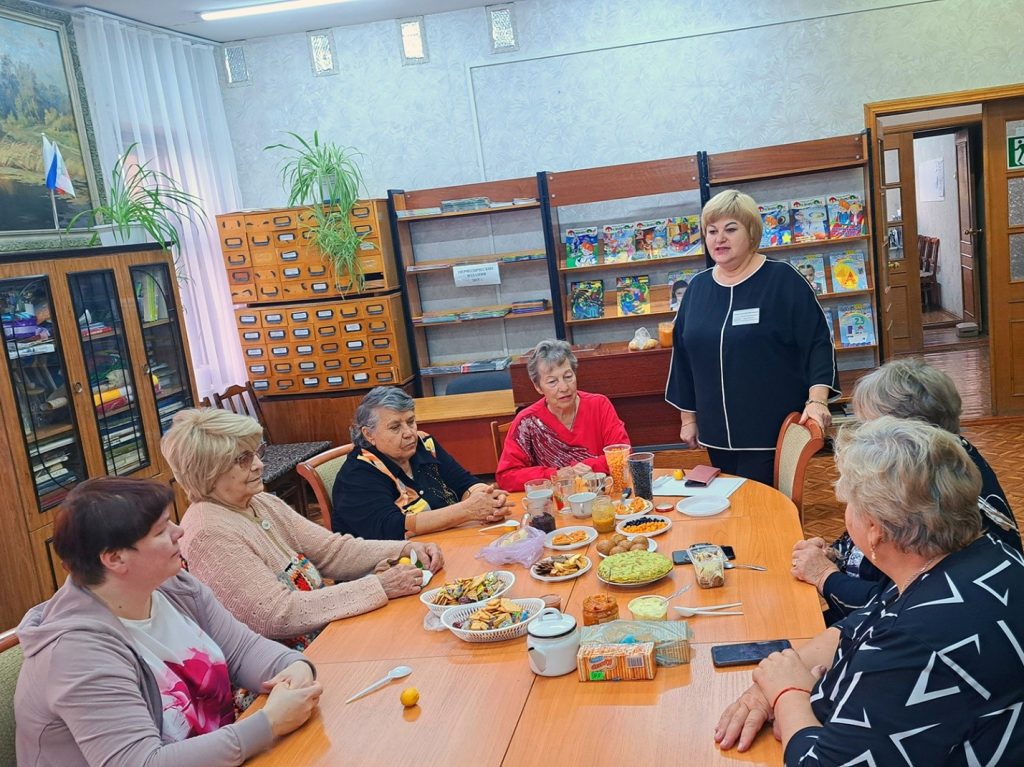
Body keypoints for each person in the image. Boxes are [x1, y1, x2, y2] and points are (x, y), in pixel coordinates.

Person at [715, 417, 1024, 764]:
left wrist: (788, 694)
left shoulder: (916, 642)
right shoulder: (988, 555)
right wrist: (777, 678)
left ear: (875, 530)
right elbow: (862, 621)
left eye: (848, 505)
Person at [15, 477, 323, 767]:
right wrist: (268, 724)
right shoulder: (75, 654)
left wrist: (294, 667)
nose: (179, 532)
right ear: (115, 559)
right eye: (162, 530)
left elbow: (242, 650)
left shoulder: (172, 586)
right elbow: (140, 761)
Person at [161, 408, 442, 645]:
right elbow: (276, 614)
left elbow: (332, 551)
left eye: (256, 453)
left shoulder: (260, 502)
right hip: (289, 668)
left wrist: (403, 548)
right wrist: (378, 586)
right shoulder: (209, 533)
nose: (258, 465)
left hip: (328, 635)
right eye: (243, 459)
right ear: (208, 471)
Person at [791, 358, 1020, 623]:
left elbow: (898, 602)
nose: (863, 437)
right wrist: (835, 554)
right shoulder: (941, 461)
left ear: (907, 435)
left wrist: (824, 576)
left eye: (869, 425)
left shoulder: (933, 494)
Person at [664, 189, 838, 485]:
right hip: (715, 433)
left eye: (731, 229)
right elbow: (683, 357)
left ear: (752, 233)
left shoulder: (783, 280)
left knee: (764, 504)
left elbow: (817, 343)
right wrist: (688, 418)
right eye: (712, 231)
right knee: (730, 502)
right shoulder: (697, 288)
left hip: (772, 431)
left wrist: (817, 401)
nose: (720, 239)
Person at [332, 386, 512, 539]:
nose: (409, 433)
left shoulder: (424, 444)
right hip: (392, 562)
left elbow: (464, 482)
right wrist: (467, 510)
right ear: (369, 434)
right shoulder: (358, 474)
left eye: (411, 422)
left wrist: (488, 501)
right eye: (395, 427)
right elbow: (393, 527)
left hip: (445, 541)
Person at [496, 338, 630, 492]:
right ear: (538, 387)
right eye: (552, 381)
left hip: (600, 496)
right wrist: (554, 475)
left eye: (568, 377)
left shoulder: (599, 405)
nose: (564, 387)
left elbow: (622, 455)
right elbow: (506, 476)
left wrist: (584, 469)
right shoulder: (527, 421)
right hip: (554, 501)